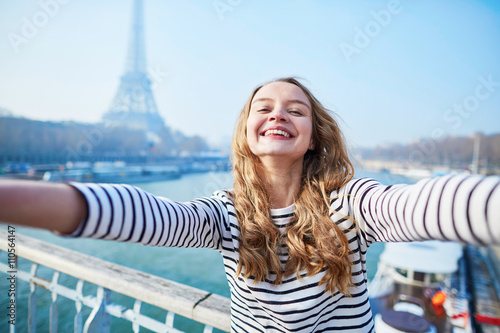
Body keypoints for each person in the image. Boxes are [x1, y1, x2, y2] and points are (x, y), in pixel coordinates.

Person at [1, 77, 499, 332]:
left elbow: (422, 205)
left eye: (295, 109)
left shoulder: (349, 202)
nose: (277, 114)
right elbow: (145, 215)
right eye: (264, 107)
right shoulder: (225, 213)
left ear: (312, 138)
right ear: (246, 131)